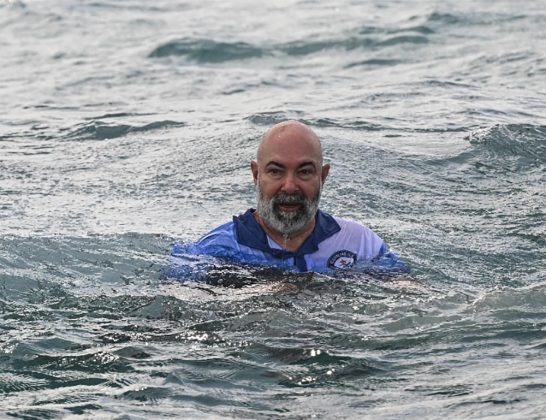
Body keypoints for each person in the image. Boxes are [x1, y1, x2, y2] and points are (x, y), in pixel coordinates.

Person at [171, 120, 407, 275]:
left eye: (304, 172)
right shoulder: (214, 252)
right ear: (256, 174)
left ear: (322, 176)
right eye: (276, 171)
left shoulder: (362, 245)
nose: (290, 186)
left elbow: (414, 302)